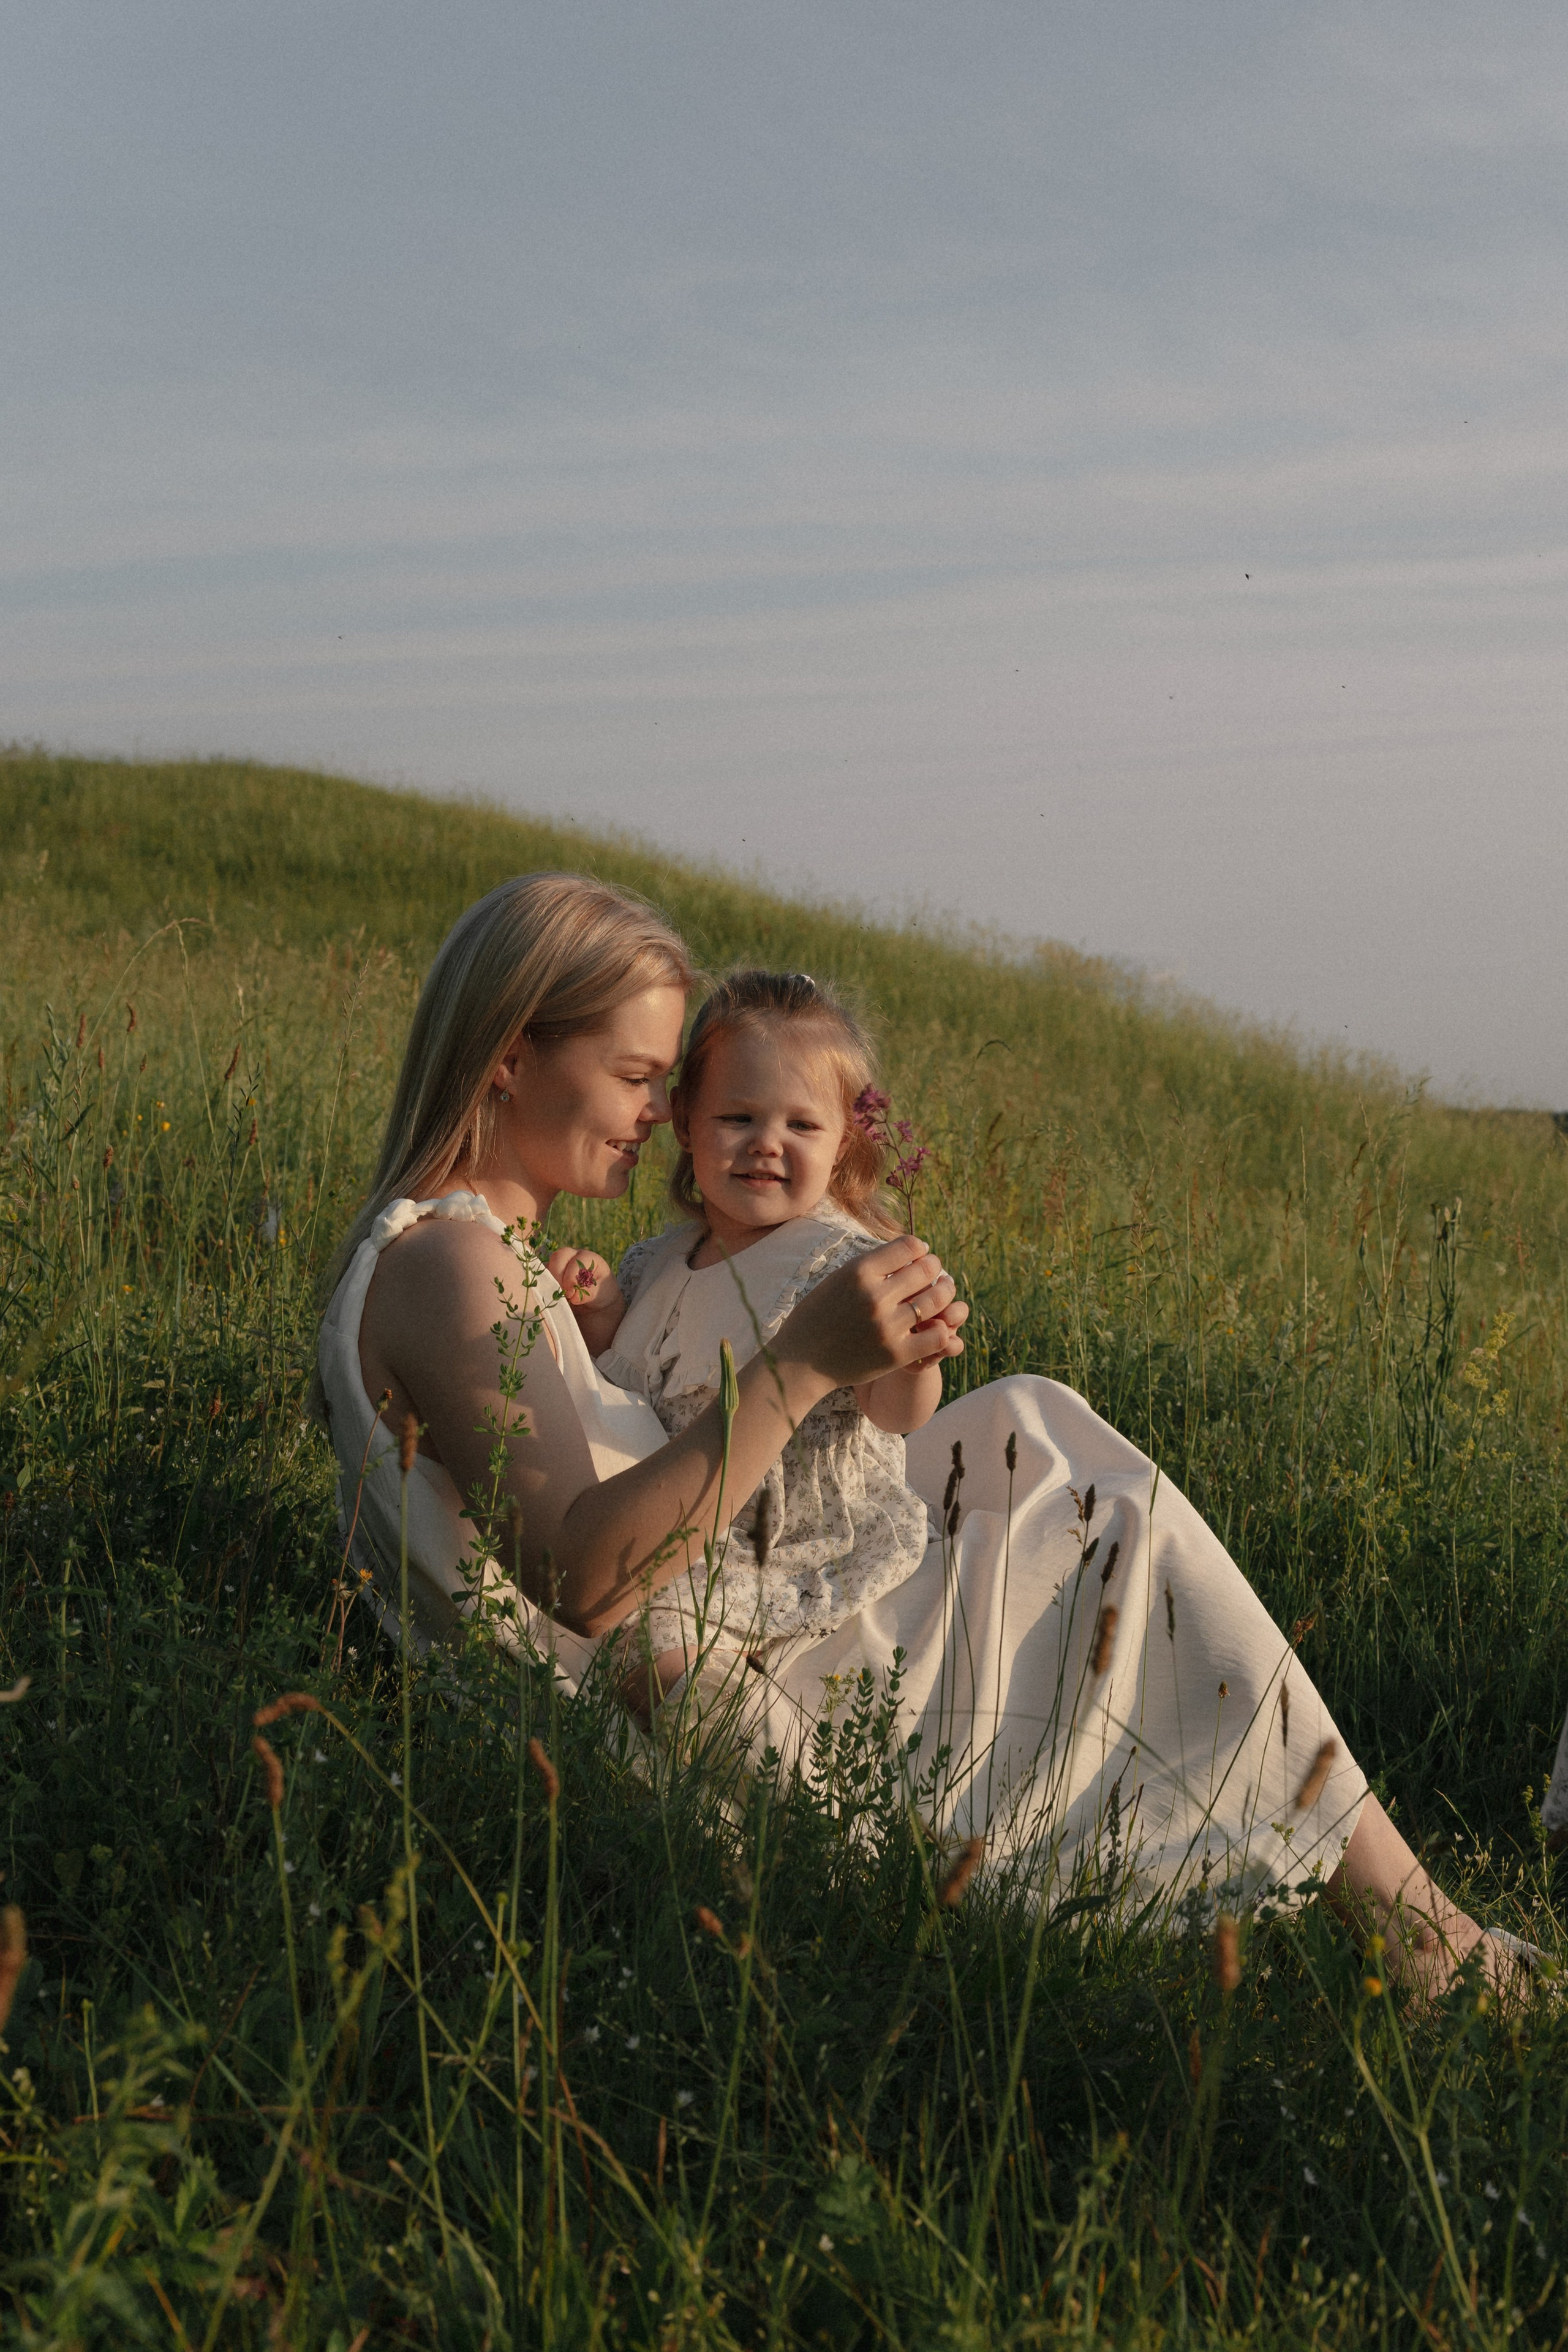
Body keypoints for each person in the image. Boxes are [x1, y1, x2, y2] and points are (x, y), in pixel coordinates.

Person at [315, 870, 1523, 1996]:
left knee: (1031, 1428)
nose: (654, 1113)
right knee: (1092, 1504)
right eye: (637, 1077)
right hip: (667, 1706)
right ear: (514, 1057)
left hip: (707, 1630)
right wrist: (799, 1364)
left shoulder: (478, 1253)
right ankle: (1413, 1932)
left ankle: (1395, 1913)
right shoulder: (449, 1260)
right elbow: (582, 1579)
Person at [547, 968, 940, 1705]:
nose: (767, 1144)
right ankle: (716, 1733)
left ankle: (765, 1777)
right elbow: (627, 1388)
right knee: (636, 1642)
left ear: (843, 1143)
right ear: (687, 1119)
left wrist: (917, 1357)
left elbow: (895, 1413)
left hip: (796, 1543)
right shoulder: (656, 1260)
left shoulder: (842, 1262)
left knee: (655, 1649)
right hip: (682, 1524)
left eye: (801, 1125)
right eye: (738, 1119)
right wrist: (598, 1314)